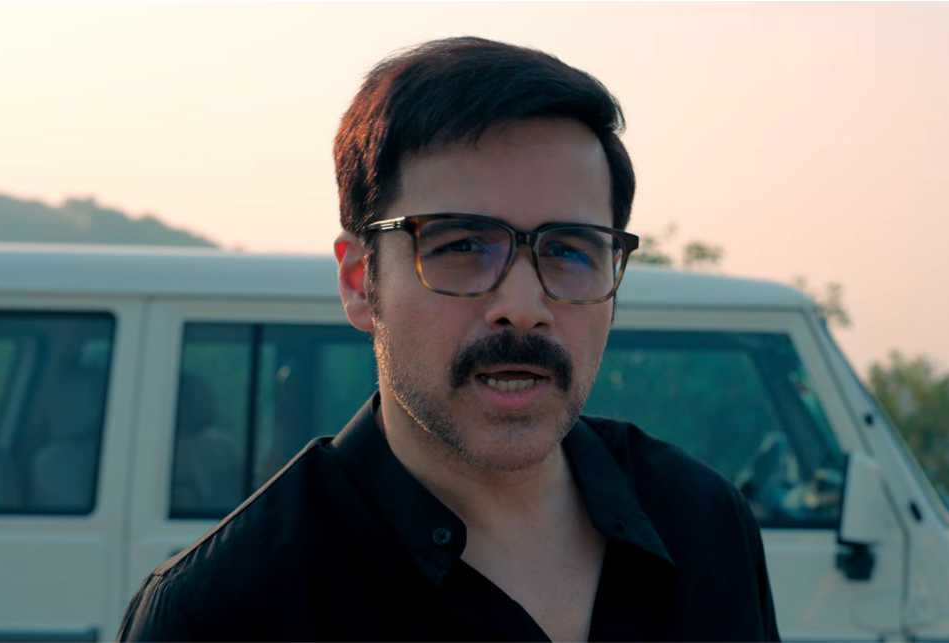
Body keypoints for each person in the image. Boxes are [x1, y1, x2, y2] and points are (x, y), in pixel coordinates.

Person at [116, 36, 779, 643]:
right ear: (360, 281)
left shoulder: (705, 526)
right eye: (462, 246)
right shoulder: (222, 612)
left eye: (569, 251)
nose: (523, 309)